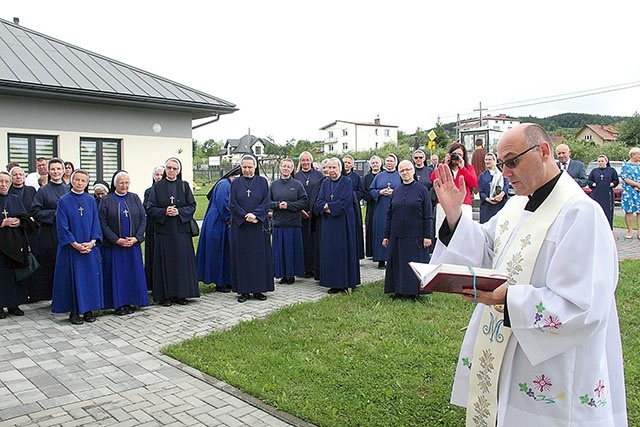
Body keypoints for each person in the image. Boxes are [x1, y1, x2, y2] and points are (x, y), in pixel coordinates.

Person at [431, 123, 626, 426]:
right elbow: (486, 249)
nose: (505, 171)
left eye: (512, 161)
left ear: (543, 152)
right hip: (507, 345)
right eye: (502, 162)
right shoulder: (516, 206)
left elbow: (584, 305)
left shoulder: (580, 214)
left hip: (554, 364)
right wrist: (455, 215)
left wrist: (509, 297)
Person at [51, 169, 104, 325]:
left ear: (87, 183)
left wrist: (92, 242)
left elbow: (96, 223)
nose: (80, 183)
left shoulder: (90, 201)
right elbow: (62, 227)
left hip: (89, 248)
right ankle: (74, 312)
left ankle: (88, 310)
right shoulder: (63, 201)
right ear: (71, 181)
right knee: (73, 280)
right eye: (77, 180)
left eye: (83, 180)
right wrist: (75, 244)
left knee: (89, 279)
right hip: (71, 249)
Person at [147, 158, 199, 306]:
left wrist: (179, 211)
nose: (171, 171)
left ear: (179, 171)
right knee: (165, 263)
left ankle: (181, 294)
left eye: (174, 169)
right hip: (164, 231)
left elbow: (192, 205)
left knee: (181, 263)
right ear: (165, 170)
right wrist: (164, 211)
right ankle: (165, 296)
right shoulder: (157, 187)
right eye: (169, 168)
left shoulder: (184, 186)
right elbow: (150, 208)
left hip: (181, 230)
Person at [99, 170, 149, 315]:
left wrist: (136, 238)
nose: (124, 186)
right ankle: (118, 304)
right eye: (121, 183)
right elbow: (103, 223)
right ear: (115, 184)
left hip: (132, 245)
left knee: (132, 274)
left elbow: (142, 219)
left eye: (127, 182)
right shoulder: (107, 200)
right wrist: (116, 240)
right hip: (115, 247)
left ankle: (134, 300)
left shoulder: (134, 198)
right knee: (117, 276)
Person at [381, 161, 432, 300]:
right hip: (396, 234)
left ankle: (412, 292)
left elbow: (428, 215)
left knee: (412, 264)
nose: (405, 173)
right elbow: (389, 214)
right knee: (398, 264)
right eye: (402, 171)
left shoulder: (422, 190)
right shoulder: (396, 191)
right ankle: (398, 290)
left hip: (415, 235)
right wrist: (386, 235)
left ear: (413, 171)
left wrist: (427, 236)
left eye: (407, 170)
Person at [230, 155, 274, 302]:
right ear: (241, 167)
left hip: (258, 226)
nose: (247, 170)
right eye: (244, 167)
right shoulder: (236, 183)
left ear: (254, 167)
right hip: (242, 227)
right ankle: (243, 291)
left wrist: (255, 215)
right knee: (243, 259)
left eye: (250, 167)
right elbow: (233, 203)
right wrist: (244, 216)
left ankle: (259, 290)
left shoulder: (262, 182)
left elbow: (266, 202)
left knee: (259, 259)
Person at [315, 157, 360, 293]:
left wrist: (328, 207)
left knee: (342, 251)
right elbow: (318, 201)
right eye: (329, 168)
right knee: (330, 252)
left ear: (340, 169)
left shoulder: (347, 182)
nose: (331, 170)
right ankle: (332, 283)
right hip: (329, 224)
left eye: (334, 167)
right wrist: (326, 206)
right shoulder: (325, 183)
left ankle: (344, 283)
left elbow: (345, 202)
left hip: (343, 222)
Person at [29, 158, 69, 302]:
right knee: (50, 265)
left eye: (58, 169)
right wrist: (54, 214)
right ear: (48, 171)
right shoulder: (43, 191)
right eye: (53, 169)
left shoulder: (68, 189)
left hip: (66, 233)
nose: (56, 172)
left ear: (63, 170)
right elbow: (35, 211)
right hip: (49, 233)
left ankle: (65, 296)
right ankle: (51, 297)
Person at [196, 165, 241, 292]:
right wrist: (229, 219)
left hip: (224, 222)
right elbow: (223, 203)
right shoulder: (224, 185)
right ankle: (219, 282)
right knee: (217, 252)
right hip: (218, 222)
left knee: (226, 253)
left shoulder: (230, 184)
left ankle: (227, 280)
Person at [270, 158, 308, 284]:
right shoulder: (274, 185)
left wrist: (289, 206)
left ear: (292, 169)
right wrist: (277, 205)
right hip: (279, 223)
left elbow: (304, 201)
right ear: (280, 168)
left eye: (288, 167)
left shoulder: (297, 185)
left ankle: (291, 275)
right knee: (279, 252)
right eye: (284, 166)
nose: (286, 168)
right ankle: (281, 275)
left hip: (293, 224)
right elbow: (267, 202)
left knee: (292, 251)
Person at [429, 143, 477, 235]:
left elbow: (473, 182)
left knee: (464, 233)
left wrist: (462, 168)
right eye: (455, 154)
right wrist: (444, 164)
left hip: (463, 203)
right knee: (444, 235)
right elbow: (433, 178)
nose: (457, 157)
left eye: (460, 155)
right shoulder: (443, 166)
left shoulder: (468, 168)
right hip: (445, 204)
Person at [0, 171, 30, 319]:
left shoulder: (15, 199)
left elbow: (24, 217)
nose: (3, 185)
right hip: (0, 245)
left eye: (6, 181)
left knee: (13, 276)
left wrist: (19, 221)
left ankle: (13, 304)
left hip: (14, 243)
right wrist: (2, 222)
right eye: (0, 181)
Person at [293, 151, 324, 278]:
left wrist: (313, 209)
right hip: (300, 214)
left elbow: (321, 193)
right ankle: (304, 268)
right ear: (300, 162)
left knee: (313, 242)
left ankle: (314, 267)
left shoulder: (319, 175)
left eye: (307, 160)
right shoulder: (296, 176)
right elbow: (293, 195)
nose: (305, 162)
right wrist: (300, 210)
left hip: (315, 214)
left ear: (311, 161)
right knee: (303, 242)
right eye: (303, 160)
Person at [369, 154, 401, 268]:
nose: (389, 163)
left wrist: (394, 192)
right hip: (381, 207)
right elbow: (371, 190)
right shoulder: (379, 176)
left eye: (391, 161)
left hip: (396, 208)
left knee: (394, 231)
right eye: (387, 161)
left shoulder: (400, 175)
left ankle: (394, 258)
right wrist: (380, 192)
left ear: (396, 163)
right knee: (381, 231)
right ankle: (381, 259)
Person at [143, 165, 165, 291]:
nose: (158, 177)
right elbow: (147, 207)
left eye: (161, 175)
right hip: (152, 228)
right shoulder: (149, 192)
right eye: (156, 175)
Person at [342, 155, 365, 260]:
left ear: (352, 164)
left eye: (348, 163)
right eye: (345, 162)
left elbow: (361, 191)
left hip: (353, 206)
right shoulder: (340, 176)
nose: (346, 164)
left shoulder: (356, 177)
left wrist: (351, 195)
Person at [587, 155, 619, 229]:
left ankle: (608, 229)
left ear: (606, 162)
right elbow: (589, 181)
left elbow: (616, 180)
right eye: (599, 161)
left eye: (602, 161)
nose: (600, 163)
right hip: (596, 194)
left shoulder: (611, 170)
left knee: (607, 212)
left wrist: (612, 184)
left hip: (607, 194)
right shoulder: (594, 171)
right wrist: (592, 184)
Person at [477, 152, 509, 224]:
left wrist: (501, 195)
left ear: (495, 161)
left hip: (499, 205)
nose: (487, 161)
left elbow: (506, 185)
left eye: (490, 159)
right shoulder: (482, 176)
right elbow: (481, 191)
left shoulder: (502, 174)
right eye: (486, 160)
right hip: (487, 207)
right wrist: (488, 199)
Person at [363, 155, 381, 258]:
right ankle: (371, 251)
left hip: (381, 203)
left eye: (376, 163)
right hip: (371, 205)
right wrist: (371, 196)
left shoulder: (383, 175)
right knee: (370, 227)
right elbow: (364, 190)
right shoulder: (367, 177)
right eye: (373, 163)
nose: (375, 165)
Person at [620, 147, 640, 239]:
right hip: (629, 191)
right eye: (638, 154)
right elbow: (626, 178)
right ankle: (630, 231)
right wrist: (637, 184)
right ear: (632, 155)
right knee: (629, 211)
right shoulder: (626, 165)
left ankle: (639, 232)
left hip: (639, 191)